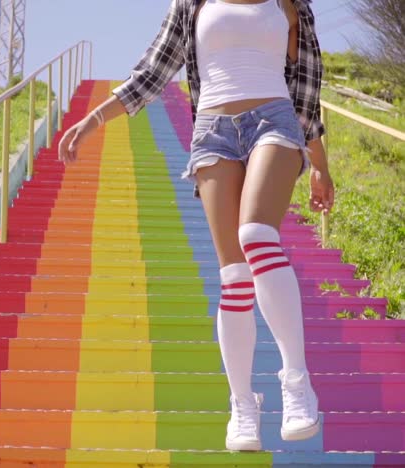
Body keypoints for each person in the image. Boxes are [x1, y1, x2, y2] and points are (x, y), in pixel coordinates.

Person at [58, 0, 335, 452]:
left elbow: (307, 92)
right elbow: (153, 71)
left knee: (256, 236)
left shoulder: (291, 5)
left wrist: (319, 166)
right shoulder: (192, 3)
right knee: (235, 276)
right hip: (213, 131)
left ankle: (297, 383)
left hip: (275, 121)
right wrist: (93, 119)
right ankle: (243, 404)